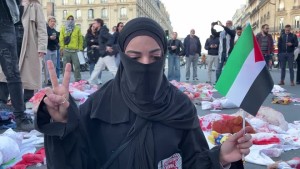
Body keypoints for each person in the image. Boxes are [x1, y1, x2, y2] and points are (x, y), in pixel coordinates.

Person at [36, 17, 252, 169]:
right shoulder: (97, 106)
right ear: (122, 56)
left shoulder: (180, 107)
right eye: (135, 57)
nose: (146, 64)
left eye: (155, 57)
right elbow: (75, 161)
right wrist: (62, 124)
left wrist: (220, 158)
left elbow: (193, 162)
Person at [0, 0, 30, 131]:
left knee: (12, 72)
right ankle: (20, 117)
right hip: (6, 20)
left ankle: (20, 116)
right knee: (13, 72)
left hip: (5, 19)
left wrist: (20, 6)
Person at [88, 18, 118, 84]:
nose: (93, 24)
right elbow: (102, 41)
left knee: (113, 69)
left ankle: (122, 82)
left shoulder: (102, 31)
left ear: (98, 24)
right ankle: (90, 81)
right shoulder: (100, 31)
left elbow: (111, 37)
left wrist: (108, 46)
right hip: (103, 54)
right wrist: (96, 44)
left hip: (107, 54)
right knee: (97, 68)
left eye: (94, 23)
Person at [59, 14, 83, 82]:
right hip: (66, 50)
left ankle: (78, 80)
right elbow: (61, 39)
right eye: (69, 19)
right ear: (66, 20)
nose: (70, 20)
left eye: (72, 19)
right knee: (66, 67)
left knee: (77, 66)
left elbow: (80, 39)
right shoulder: (63, 28)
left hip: (75, 51)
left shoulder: (77, 28)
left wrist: (80, 48)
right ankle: (65, 81)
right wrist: (62, 48)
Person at [45, 16, 59, 86]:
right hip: (47, 48)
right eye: (51, 21)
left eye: (54, 21)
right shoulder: (46, 29)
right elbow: (43, 37)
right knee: (47, 65)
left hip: (54, 49)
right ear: (48, 22)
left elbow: (57, 41)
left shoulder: (55, 31)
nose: (53, 22)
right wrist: (49, 38)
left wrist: (55, 39)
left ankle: (53, 78)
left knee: (54, 64)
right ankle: (47, 79)